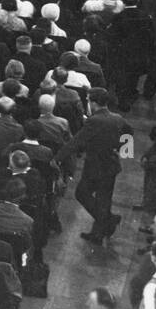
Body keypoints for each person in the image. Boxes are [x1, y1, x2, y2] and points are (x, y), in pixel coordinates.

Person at [58, 97, 131, 244]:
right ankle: (98, 233)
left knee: (82, 193)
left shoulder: (94, 120)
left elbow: (76, 141)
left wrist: (58, 158)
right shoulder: (118, 118)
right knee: (104, 200)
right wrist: (123, 150)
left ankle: (107, 221)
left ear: (94, 103)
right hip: (111, 165)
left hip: (95, 166)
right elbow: (129, 132)